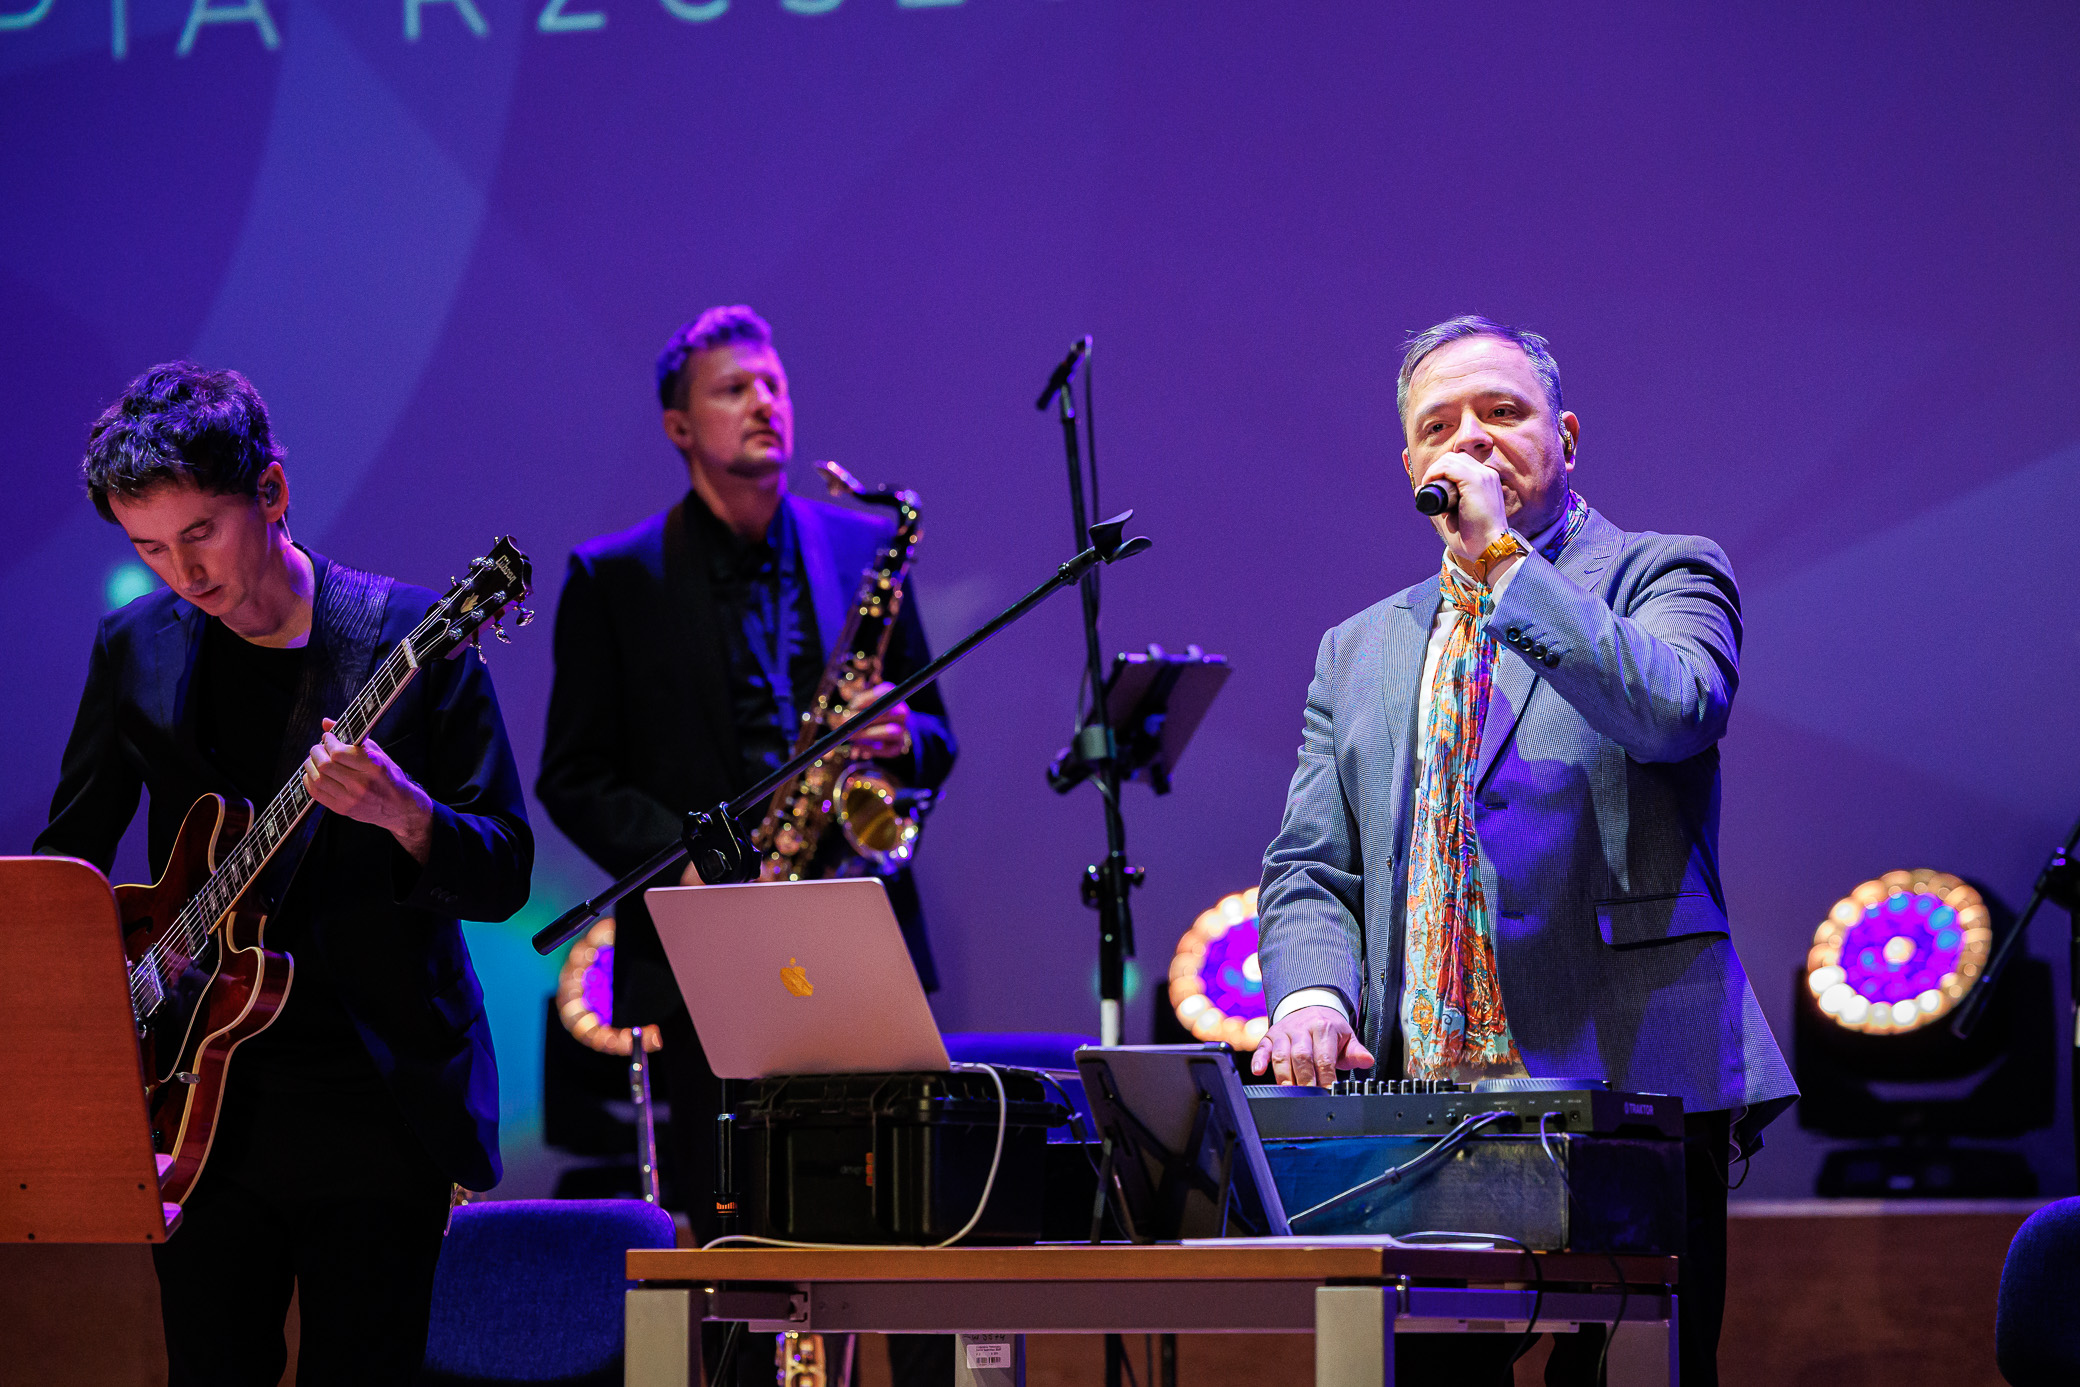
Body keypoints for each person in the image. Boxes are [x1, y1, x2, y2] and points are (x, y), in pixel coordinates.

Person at [1252, 316, 1796, 1386]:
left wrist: (1502, 561)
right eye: (1439, 425)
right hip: (1422, 1102)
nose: (1471, 438)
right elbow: (1310, 864)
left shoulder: (1662, 569)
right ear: (1411, 465)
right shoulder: (1357, 646)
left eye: (1502, 411)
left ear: (1567, 436)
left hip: (1628, 1077)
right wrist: (1310, 993)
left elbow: (1675, 710)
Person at [37, 362, 534, 1386]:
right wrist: (105, 1002)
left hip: (376, 1093)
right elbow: (68, 862)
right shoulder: (135, 647)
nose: (184, 571)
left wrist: (406, 813)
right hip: (197, 1096)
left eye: (201, 531)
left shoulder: (408, 638)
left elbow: (504, 871)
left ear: (271, 491)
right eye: (148, 547)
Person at [537, 305, 956, 1382]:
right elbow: (572, 774)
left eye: (773, 383)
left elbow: (937, 734)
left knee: (910, 1221)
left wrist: (905, 737)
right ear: (679, 425)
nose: (765, 403)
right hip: (708, 947)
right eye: (734, 388)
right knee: (731, 1239)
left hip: (854, 923)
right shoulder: (613, 575)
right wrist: (686, 861)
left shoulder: (864, 546)